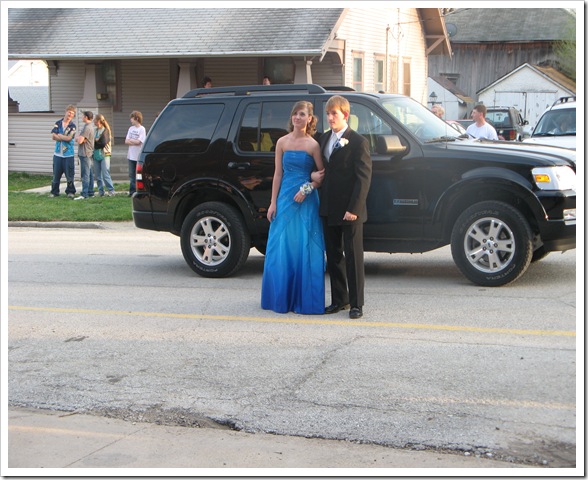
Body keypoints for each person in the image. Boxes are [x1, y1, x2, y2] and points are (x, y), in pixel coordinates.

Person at [261, 101, 325, 315]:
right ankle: (280, 298)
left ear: (310, 119)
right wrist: (273, 202)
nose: (298, 117)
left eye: (302, 114)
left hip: (306, 201)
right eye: (295, 114)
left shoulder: (313, 145)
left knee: (303, 245)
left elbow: (321, 176)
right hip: (285, 199)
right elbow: (278, 174)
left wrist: (307, 188)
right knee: (280, 246)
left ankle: (304, 300)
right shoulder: (282, 142)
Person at [316, 95, 372, 320]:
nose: (330, 118)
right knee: (334, 256)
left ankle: (357, 304)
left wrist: (354, 208)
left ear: (345, 115)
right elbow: (322, 169)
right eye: (328, 114)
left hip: (350, 209)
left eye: (334, 114)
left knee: (353, 257)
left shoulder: (358, 141)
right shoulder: (323, 139)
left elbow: (363, 179)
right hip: (329, 206)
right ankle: (340, 299)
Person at [49, 105, 77, 198]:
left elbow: (69, 138)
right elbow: (53, 136)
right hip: (58, 154)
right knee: (56, 174)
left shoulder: (72, 126)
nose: (70, 115)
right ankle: (54, 192)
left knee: (69, 175)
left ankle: (70, 191)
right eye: (69, 112)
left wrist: (59, 136)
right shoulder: (58, 123)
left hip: (68, 154)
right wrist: (62, 137)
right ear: (66, 112)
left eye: (72, 113)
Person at [74, 111, 95, 200]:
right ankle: (90, 192)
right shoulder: (90, 126)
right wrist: (80, 138)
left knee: (85, 174)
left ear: (86, 117)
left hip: (85, 153)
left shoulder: (87, 127)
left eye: (83, 116)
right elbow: (81, 139)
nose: (82, 117)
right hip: (88, 152)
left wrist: (77, 138)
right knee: (90, 173)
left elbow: (80, 140)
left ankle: (84, 193)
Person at [93, 114, 115, 197]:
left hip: (104, 154)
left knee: (105, 173)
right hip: (96, 154)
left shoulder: (105, 130)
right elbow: (91, 140)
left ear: (99, 121)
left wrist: (96, 140)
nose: (94, 122)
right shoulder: (95, 130)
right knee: (98, 175)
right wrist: (96, 140)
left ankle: (111, 190)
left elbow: (103, 142)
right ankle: (101, 191)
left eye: (95, 120)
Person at [125, 110, 146, 196]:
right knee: (131, 175)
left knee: (138, 174)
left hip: (138, 156)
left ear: (136, 118)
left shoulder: (142, 129)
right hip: (131, 156)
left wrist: (131, 140)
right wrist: (133, 141)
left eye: (132, 118)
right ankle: (132, 191)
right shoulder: (130, 129)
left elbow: (139, 142)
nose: (131, 120)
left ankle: (139, 190)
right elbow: (126, 141)